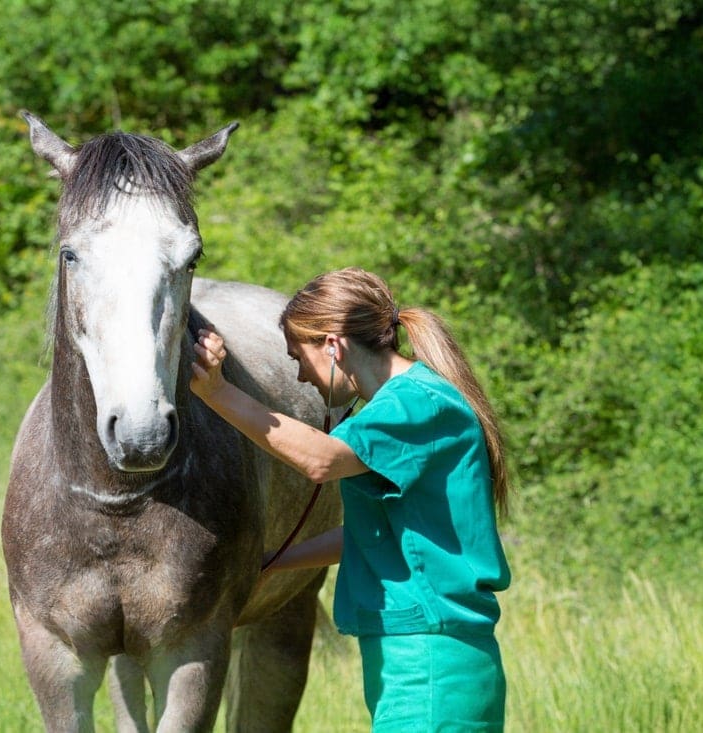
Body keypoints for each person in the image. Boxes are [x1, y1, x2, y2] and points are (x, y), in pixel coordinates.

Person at [190, 267, 512, 732]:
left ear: (334, 346)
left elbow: (321, 460)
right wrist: (272, 563)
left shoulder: (415, 404)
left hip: (430, 659)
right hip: (411, 653)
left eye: (298, 358)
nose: (300, 376)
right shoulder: (403, 405)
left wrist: (217, 392)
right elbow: (369, 531)